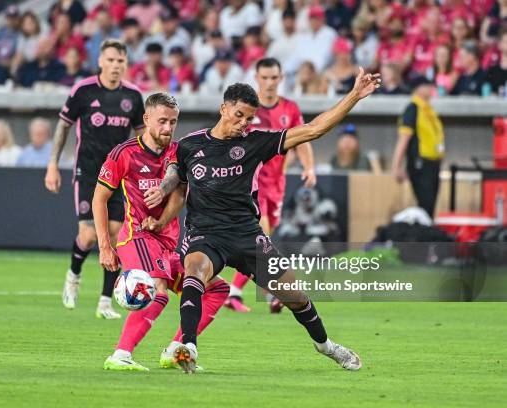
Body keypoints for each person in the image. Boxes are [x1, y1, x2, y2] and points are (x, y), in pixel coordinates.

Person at [144, 69, 381, 373]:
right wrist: (161, 191)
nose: (244, 123)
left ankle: (326, 346)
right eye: (239, 115)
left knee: (295, 297)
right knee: (195, 272)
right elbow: (174, 177)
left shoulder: (256, 143)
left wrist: (353, 96)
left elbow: (313, 130)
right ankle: (187, 346)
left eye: (249, 119)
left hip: (246, 234)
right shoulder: (190, 145)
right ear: (224, 109)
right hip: (206, 233)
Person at [95, 93, 229, 371]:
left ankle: (175, 350)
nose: (168, 128)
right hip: (138, 237)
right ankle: (120, 355)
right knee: (159, 291)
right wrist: (104, 246)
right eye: (162, 122)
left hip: (168, 242)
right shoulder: (124, 153)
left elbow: (179, 193)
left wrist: (161, 220)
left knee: (216, 288)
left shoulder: (178, 152)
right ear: (146, 120)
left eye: (173, 122)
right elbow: (99, 199)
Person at [44, 39, 145, 319]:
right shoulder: (83, 90)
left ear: (126, 64)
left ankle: (104, 302)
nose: (115, 66)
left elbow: (140, 138)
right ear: (101, 61)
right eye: (110, 60)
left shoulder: (134, 97)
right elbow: (63, 126)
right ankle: (73, 276)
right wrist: (52, 164)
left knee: (114, 236)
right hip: (88, 172)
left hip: (118, 174)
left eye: (120, 61)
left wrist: (143, 171)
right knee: (89, 235)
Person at [224, 58, 316, 314]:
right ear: (256, 78)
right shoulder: (247, 112)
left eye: (273, 78)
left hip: (277, 182)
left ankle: (241, 291)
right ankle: (274, 291)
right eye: (264, 78)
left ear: (281, 78)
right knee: (260, 236)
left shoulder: (290, 108)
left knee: (265, 237)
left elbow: (304, 138)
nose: (269, 83)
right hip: (251, 183)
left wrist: (309, 167)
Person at [391, 76, 444, 218]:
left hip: (432, 163)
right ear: (418, 89)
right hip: (420, 163)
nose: (430, 88)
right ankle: (424, 236)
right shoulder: (413, 109)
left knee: (430, 206)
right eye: (426, 85)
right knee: (425, 204)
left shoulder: (428, 110)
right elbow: (404, 139)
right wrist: (396, 166)